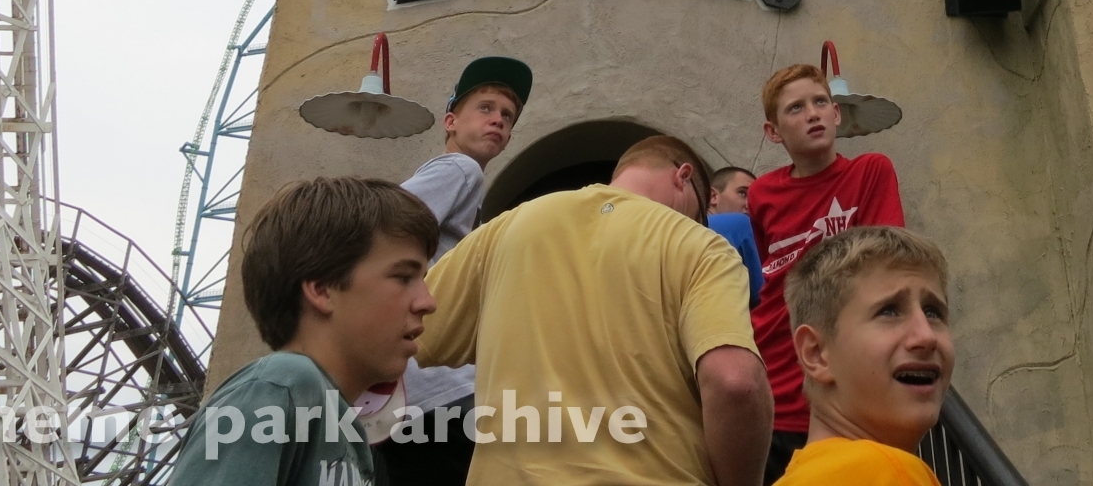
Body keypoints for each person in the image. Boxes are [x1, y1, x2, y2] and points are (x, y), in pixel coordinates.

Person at [415, 134, 773, 485]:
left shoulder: (505, 228)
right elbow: (735, 382)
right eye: (697, 213)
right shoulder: (702, 247)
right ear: (682, 176)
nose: (694, 222)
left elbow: (406, 329)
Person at [173, 177, 439, 486]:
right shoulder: (278, 387)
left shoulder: (346, 433)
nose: (428, 302)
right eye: (404, 277)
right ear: (322, 289)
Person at [378, 56, 532, 485]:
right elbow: (385, 221)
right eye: (485, 108)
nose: (498, 120)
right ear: (451, 121)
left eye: (507, 116)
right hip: (444, 389)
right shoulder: (460, 170)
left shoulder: (461, 187)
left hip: (410, 399)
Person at [748, 65, 905, 482]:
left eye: (820, 102)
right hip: (775, 385)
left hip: (846, 392)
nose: (812, 114)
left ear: (837, 114)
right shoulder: (762, 193)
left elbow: (886, 267)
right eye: (796, 108)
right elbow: (770, 280)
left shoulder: (871, 171)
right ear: (773, 132)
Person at [775, 226, 952, 485]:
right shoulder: (889, 472)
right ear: (816, 354)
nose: (926, 336)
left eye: (933, 312)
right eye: (889, 311)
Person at [708, 167, 763, 309]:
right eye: (743, 193)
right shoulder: (740, 224)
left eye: (755, 198)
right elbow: (763, 297)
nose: (749, 204)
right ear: (712, 196)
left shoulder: (680, 226)